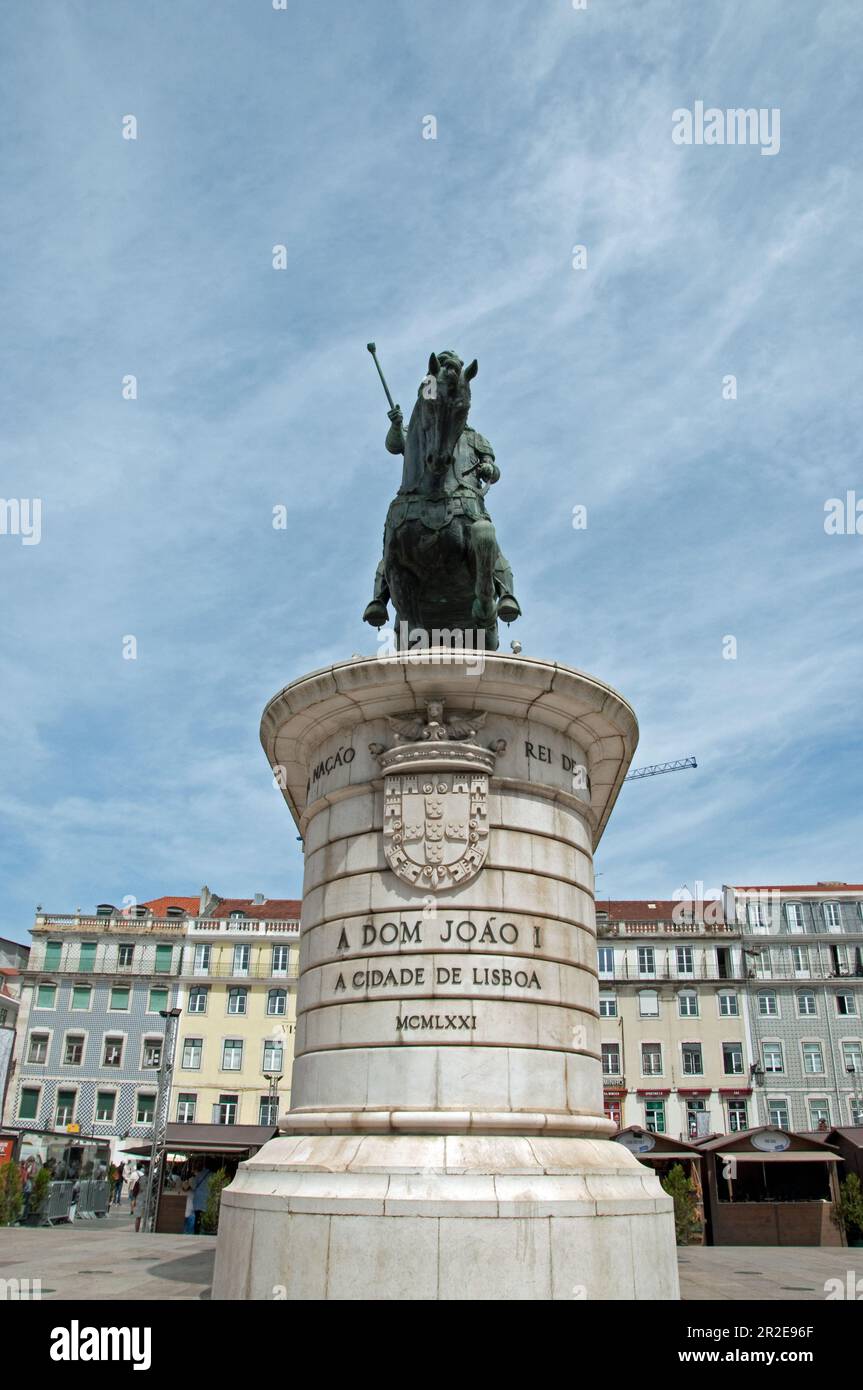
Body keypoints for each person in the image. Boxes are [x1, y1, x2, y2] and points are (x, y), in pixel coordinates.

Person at [190, 1159, 212, 1234]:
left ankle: (197, 1232)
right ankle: (205, 1232)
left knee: (198, 1218)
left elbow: (193, 1186)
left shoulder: (198, 1175)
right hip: (208, 1200)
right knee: (206, 1217)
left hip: (198, 1201)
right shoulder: (212, 1175)